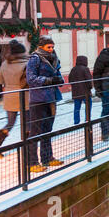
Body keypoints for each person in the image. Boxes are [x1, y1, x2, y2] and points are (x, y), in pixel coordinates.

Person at [26, 36, 65, 172]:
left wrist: (59, 80)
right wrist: (49, 80)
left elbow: (58, 73)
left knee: (48, 130)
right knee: (35, 132)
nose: (51, 49)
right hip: (38, 99)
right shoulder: (35, 59)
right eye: (49, 47)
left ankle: (48, 158)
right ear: (41, 47)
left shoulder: (54, 58)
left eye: (52, 47)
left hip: (52, 97)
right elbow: (31, 79)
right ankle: (32, 163)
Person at [0, 40, 30, 160]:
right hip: (25, 96)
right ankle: (27, 146)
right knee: (28, 123)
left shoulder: (4, 64)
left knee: (10, 123)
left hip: (9, 96)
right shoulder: (27, 64)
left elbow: (0, 80)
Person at [68, 56, 93, 125]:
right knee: (88, 106)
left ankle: (76, 122)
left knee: (77, 107)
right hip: (86, 92)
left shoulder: (73, 69)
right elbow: (89, 80)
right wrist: (90, 87)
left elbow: (70, 80)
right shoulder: (85, 69)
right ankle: (87, 119)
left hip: (76, 92)